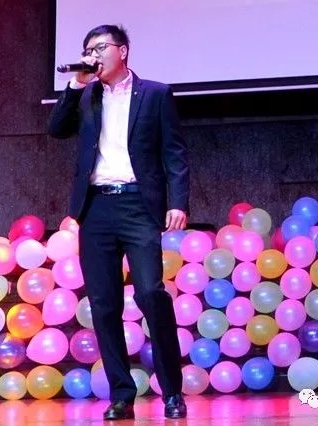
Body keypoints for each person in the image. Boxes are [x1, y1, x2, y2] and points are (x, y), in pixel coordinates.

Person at [48, 24, 189, 420]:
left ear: (122, 51)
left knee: (151, 293)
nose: (93, 55)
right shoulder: (86, 95)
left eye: (100, 48)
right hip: (95, 207)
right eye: (88, 49)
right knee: (104, 303)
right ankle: (122, 394)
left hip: (139, 205)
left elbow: (175, 153)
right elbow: (56, 129)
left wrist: (178, 202)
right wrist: (75, 84)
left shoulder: (155, 94)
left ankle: (172, 392)